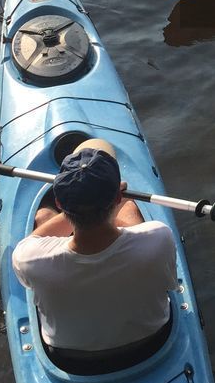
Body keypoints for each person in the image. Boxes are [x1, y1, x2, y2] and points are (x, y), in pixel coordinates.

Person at [12, 137, 178, 369]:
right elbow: (170, 284)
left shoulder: (29, 258)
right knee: (130, 210)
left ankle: (80, 210)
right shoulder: (159, 238)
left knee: (43, 217)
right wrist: (114, 202)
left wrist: (76, 208)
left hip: (72, 358)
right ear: (117, 197)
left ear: (59, 202)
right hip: (151, 342)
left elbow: (34, 240)